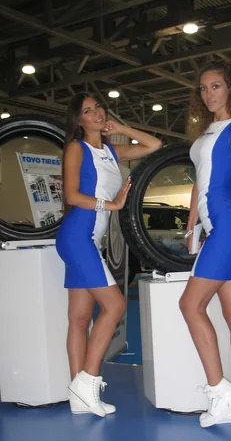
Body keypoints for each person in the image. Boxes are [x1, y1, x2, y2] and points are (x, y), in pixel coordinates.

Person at [56, 92, 162, 417]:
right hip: (78, 236)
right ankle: (88, 381)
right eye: (88, 111)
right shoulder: (77, 148)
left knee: (78, 318)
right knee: (114, 305)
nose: (97, 113)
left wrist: (124, 126)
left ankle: (78, 396)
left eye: (98, 107)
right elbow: (72, 195)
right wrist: (111, 204)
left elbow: (153, 145)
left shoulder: (112, 151)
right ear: (79, 121)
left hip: (86, 239)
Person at [179, 59, 231, 428]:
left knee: (190, 304)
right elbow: (200, 183)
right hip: (215, 228)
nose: (208, 93)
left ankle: (220, 390)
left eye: (215, 86)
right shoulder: (204, 134)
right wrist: (191, 226)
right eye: (203, 88)